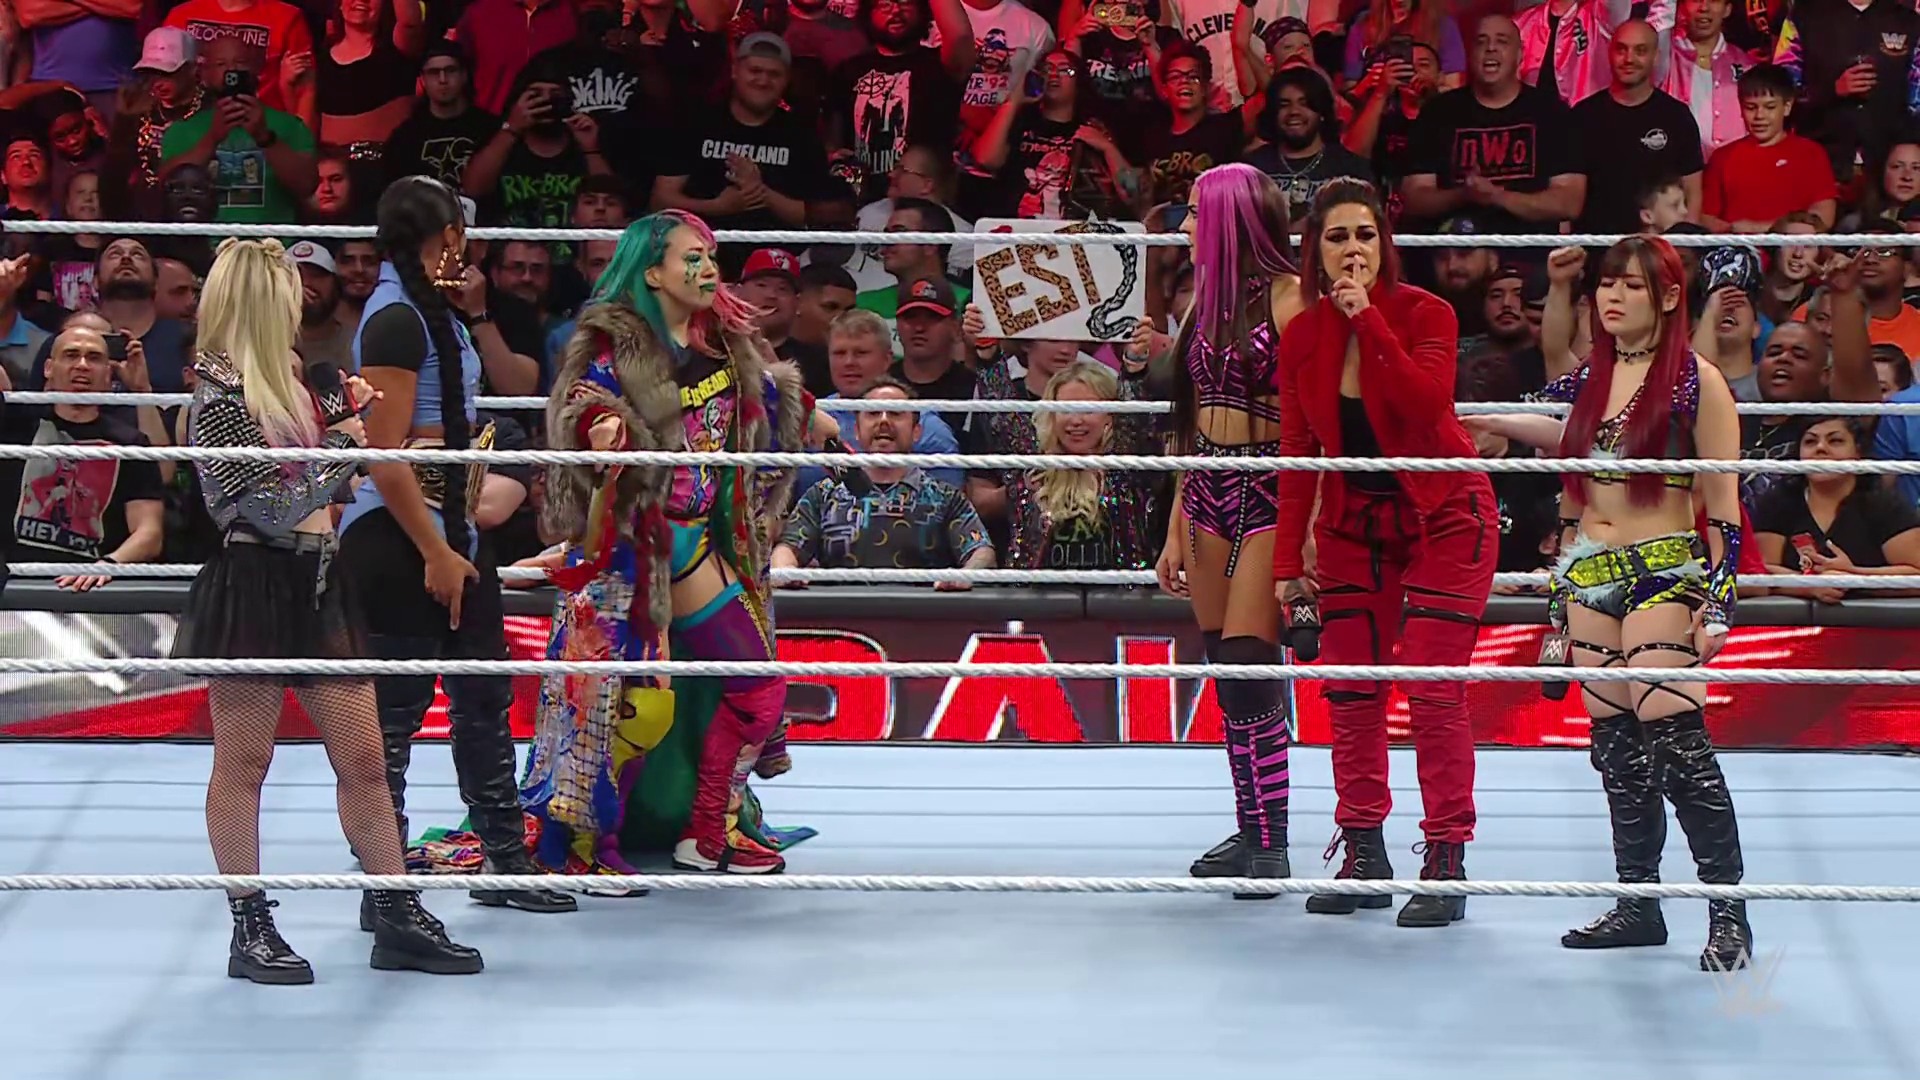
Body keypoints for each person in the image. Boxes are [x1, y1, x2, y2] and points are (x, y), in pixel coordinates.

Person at [171, 238, 480, 983]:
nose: (301, 303)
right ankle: (250, 924)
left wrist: (348, 419)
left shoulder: (297, 379)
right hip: (254, 579)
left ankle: (394, 909)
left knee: (365, 761)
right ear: (259, 299)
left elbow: (323, 485)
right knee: (245, 761)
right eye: (287, 290)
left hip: (320, 576)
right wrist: (344, 443)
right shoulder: (217, 393)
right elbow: (270, 507)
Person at [522, 209, 829, 877]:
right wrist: (601, 430)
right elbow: (580, 406)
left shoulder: (727, 344)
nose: (708, 267)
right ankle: (586, 848)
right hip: (630, 547)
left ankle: (711, 831)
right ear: (654, 272)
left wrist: (804, 410)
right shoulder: (613, 350)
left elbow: (763, 399)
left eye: (711, 254)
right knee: (627, 708)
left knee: (760, 692)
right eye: (692, 256)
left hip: (705, 540)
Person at [334, 176, 576, 918]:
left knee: (482, 697)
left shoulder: (433, 310)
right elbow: (384, 453)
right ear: (438, 237)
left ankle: (504, 859)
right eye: (457, 237)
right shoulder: (394, 319)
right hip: (400, 533)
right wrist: (434, 550)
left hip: (453, 525)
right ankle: (386, 888)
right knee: (396, 716)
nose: (464, 251)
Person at [1272, 178, 1495, 928]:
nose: (1353, 251)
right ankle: (1364, 852)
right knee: (1351, 690)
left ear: (1385, 244)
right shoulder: (1302, 336)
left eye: (1365, 235)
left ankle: (1446, 860)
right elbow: (1298, 453)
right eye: (1337, 237)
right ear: (1315, 250)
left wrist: (1367, 320)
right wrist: (1286, 567)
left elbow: (1424, 406)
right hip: (1354, 523)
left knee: (1432, 688)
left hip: (1446, 515)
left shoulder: (1427, 313)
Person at [1531, 237, 1752, 971]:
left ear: (1668, 296)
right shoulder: (1587, 380)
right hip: (1590, 575)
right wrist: (1559, 595)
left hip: (1662, 570)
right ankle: (1638, 903)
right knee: (1618, 754)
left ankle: (1729, 914)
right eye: (1606, 284)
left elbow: (1724, 509)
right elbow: (1567, 492)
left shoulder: (1696, 381)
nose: (1612, 296)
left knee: (1679, 747)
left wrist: (1718, 604)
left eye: (1630, 285)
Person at [1153, 162, 1303, 894]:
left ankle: (1273, 840)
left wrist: (1309, 523)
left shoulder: (1291, 298)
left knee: (1249, 661)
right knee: (1225, 667)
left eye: (1192, 212)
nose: (1184, 226)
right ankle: (1252, 826)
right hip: (1208, 485)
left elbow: (1316, 423)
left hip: (1272, 485)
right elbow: (1191, 424)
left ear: (1227, 218)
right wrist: (1175, 524)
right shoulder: (1204, 302)